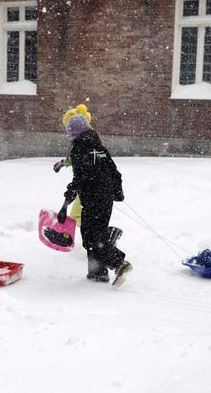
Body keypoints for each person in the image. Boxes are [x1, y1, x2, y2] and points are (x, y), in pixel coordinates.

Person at [57, 106, 132, 286]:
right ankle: (97, 273)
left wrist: (65, 204)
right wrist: (117, 193)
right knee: (95, 236)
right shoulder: (100, 149)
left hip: (92, 200)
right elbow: (115, 173)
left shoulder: (78, 150)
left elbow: (79, 179)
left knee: (92, 239)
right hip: (104, 200)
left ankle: (119, 263)